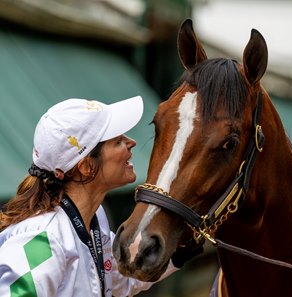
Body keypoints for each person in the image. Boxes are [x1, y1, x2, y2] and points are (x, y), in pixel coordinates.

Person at [0, 96, 202, 297]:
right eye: (118, 141)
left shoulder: (94, 219)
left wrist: (183, 246)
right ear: (86, 167)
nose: (132, 142)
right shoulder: (43, 239)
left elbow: (122, 279)